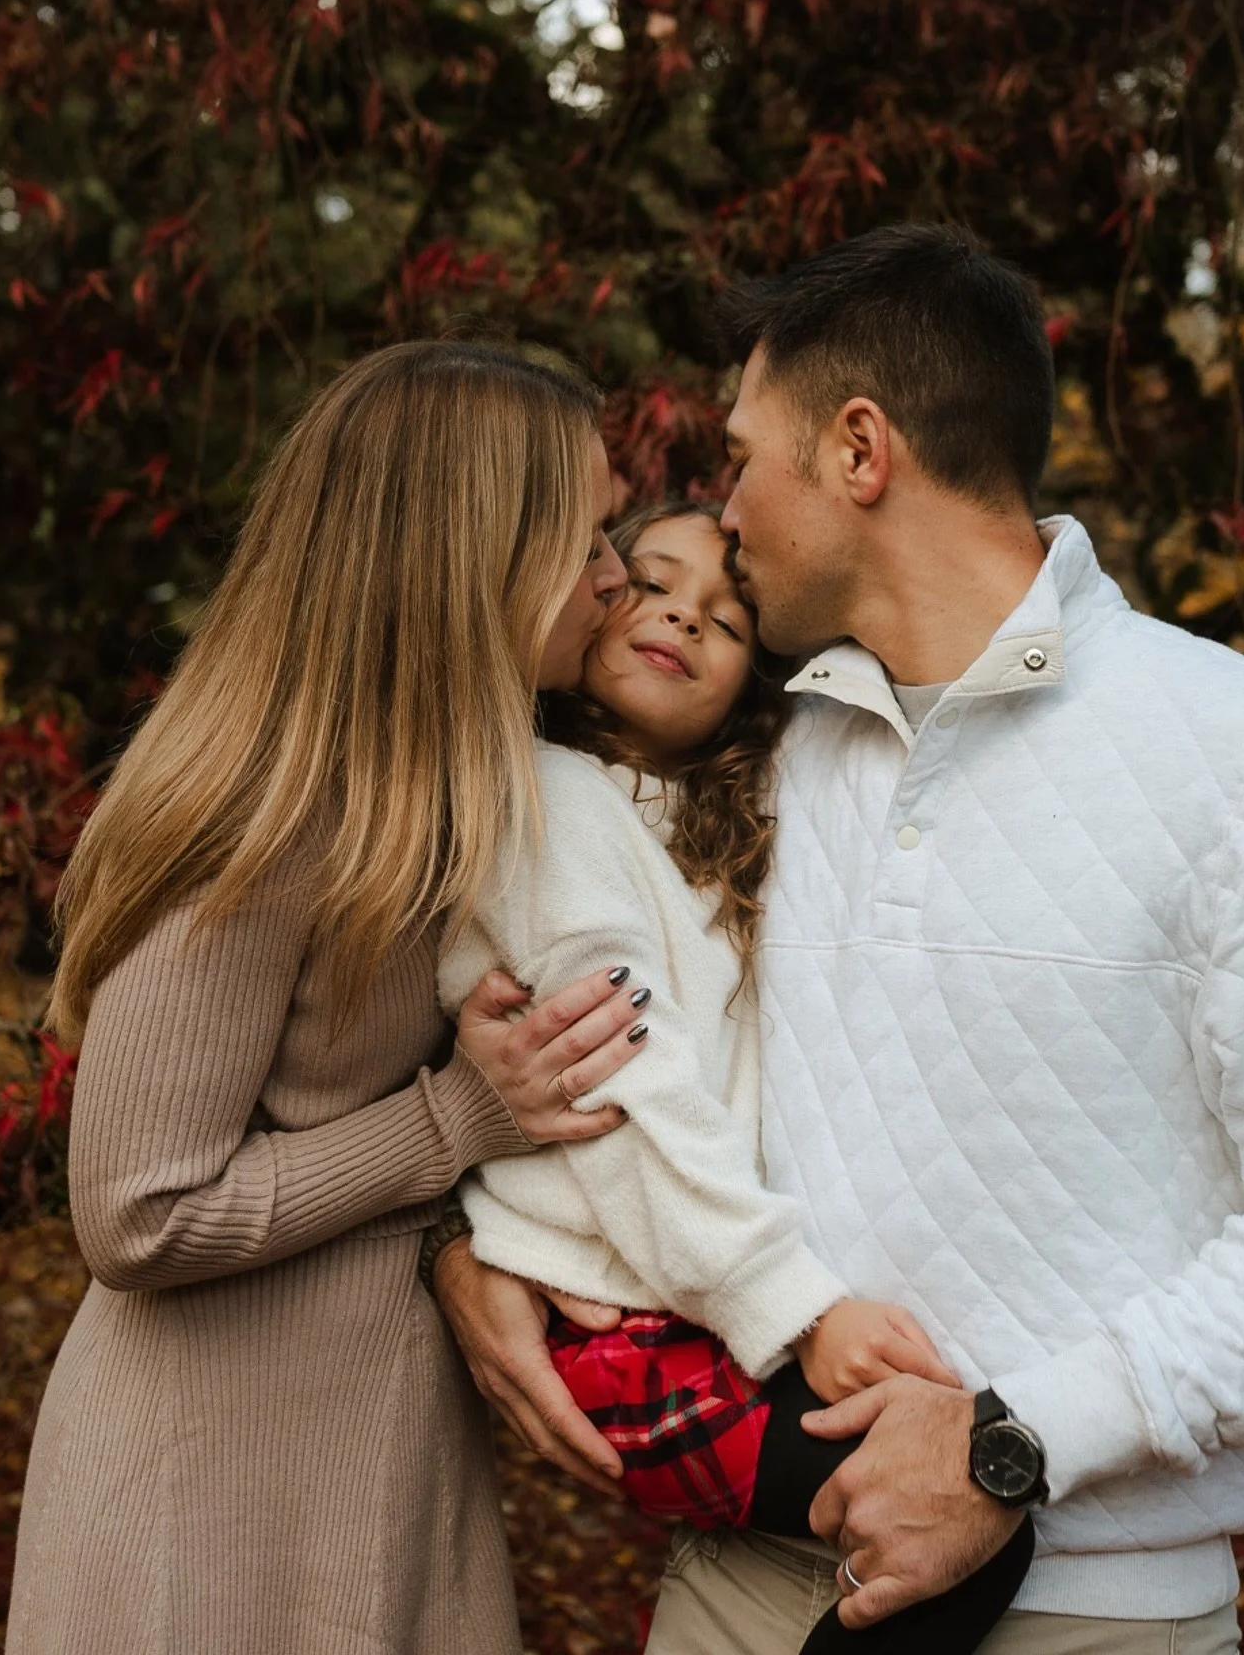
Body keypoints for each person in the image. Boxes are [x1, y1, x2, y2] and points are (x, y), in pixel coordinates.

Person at [435, 227, 1244, 1655]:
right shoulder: (759, 760)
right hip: (736, 1584)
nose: (728, 510)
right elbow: (619, 1048)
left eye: (746, 455)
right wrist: (482, 1245)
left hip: (1089, 1612)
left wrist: (1012, 1446)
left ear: (859, 451)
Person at [7, 342, 651, 1655]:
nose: (618, 576)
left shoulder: (468, 799)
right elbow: (133, 1213)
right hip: (211, 1492)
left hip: (379, 1453)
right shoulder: (269, 819)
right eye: (587, 537)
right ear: (472, 557)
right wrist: (459, 1118)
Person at [435, 499, 1035, 1655]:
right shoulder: (545, 805)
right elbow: (626, 1090)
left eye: (724, 618)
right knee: (964, 1512)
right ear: (584, 612)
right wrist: (795, 1305)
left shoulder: (693, 827)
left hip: (669, 1293)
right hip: (622, 1325)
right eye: (647, 584)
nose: (681, 617)